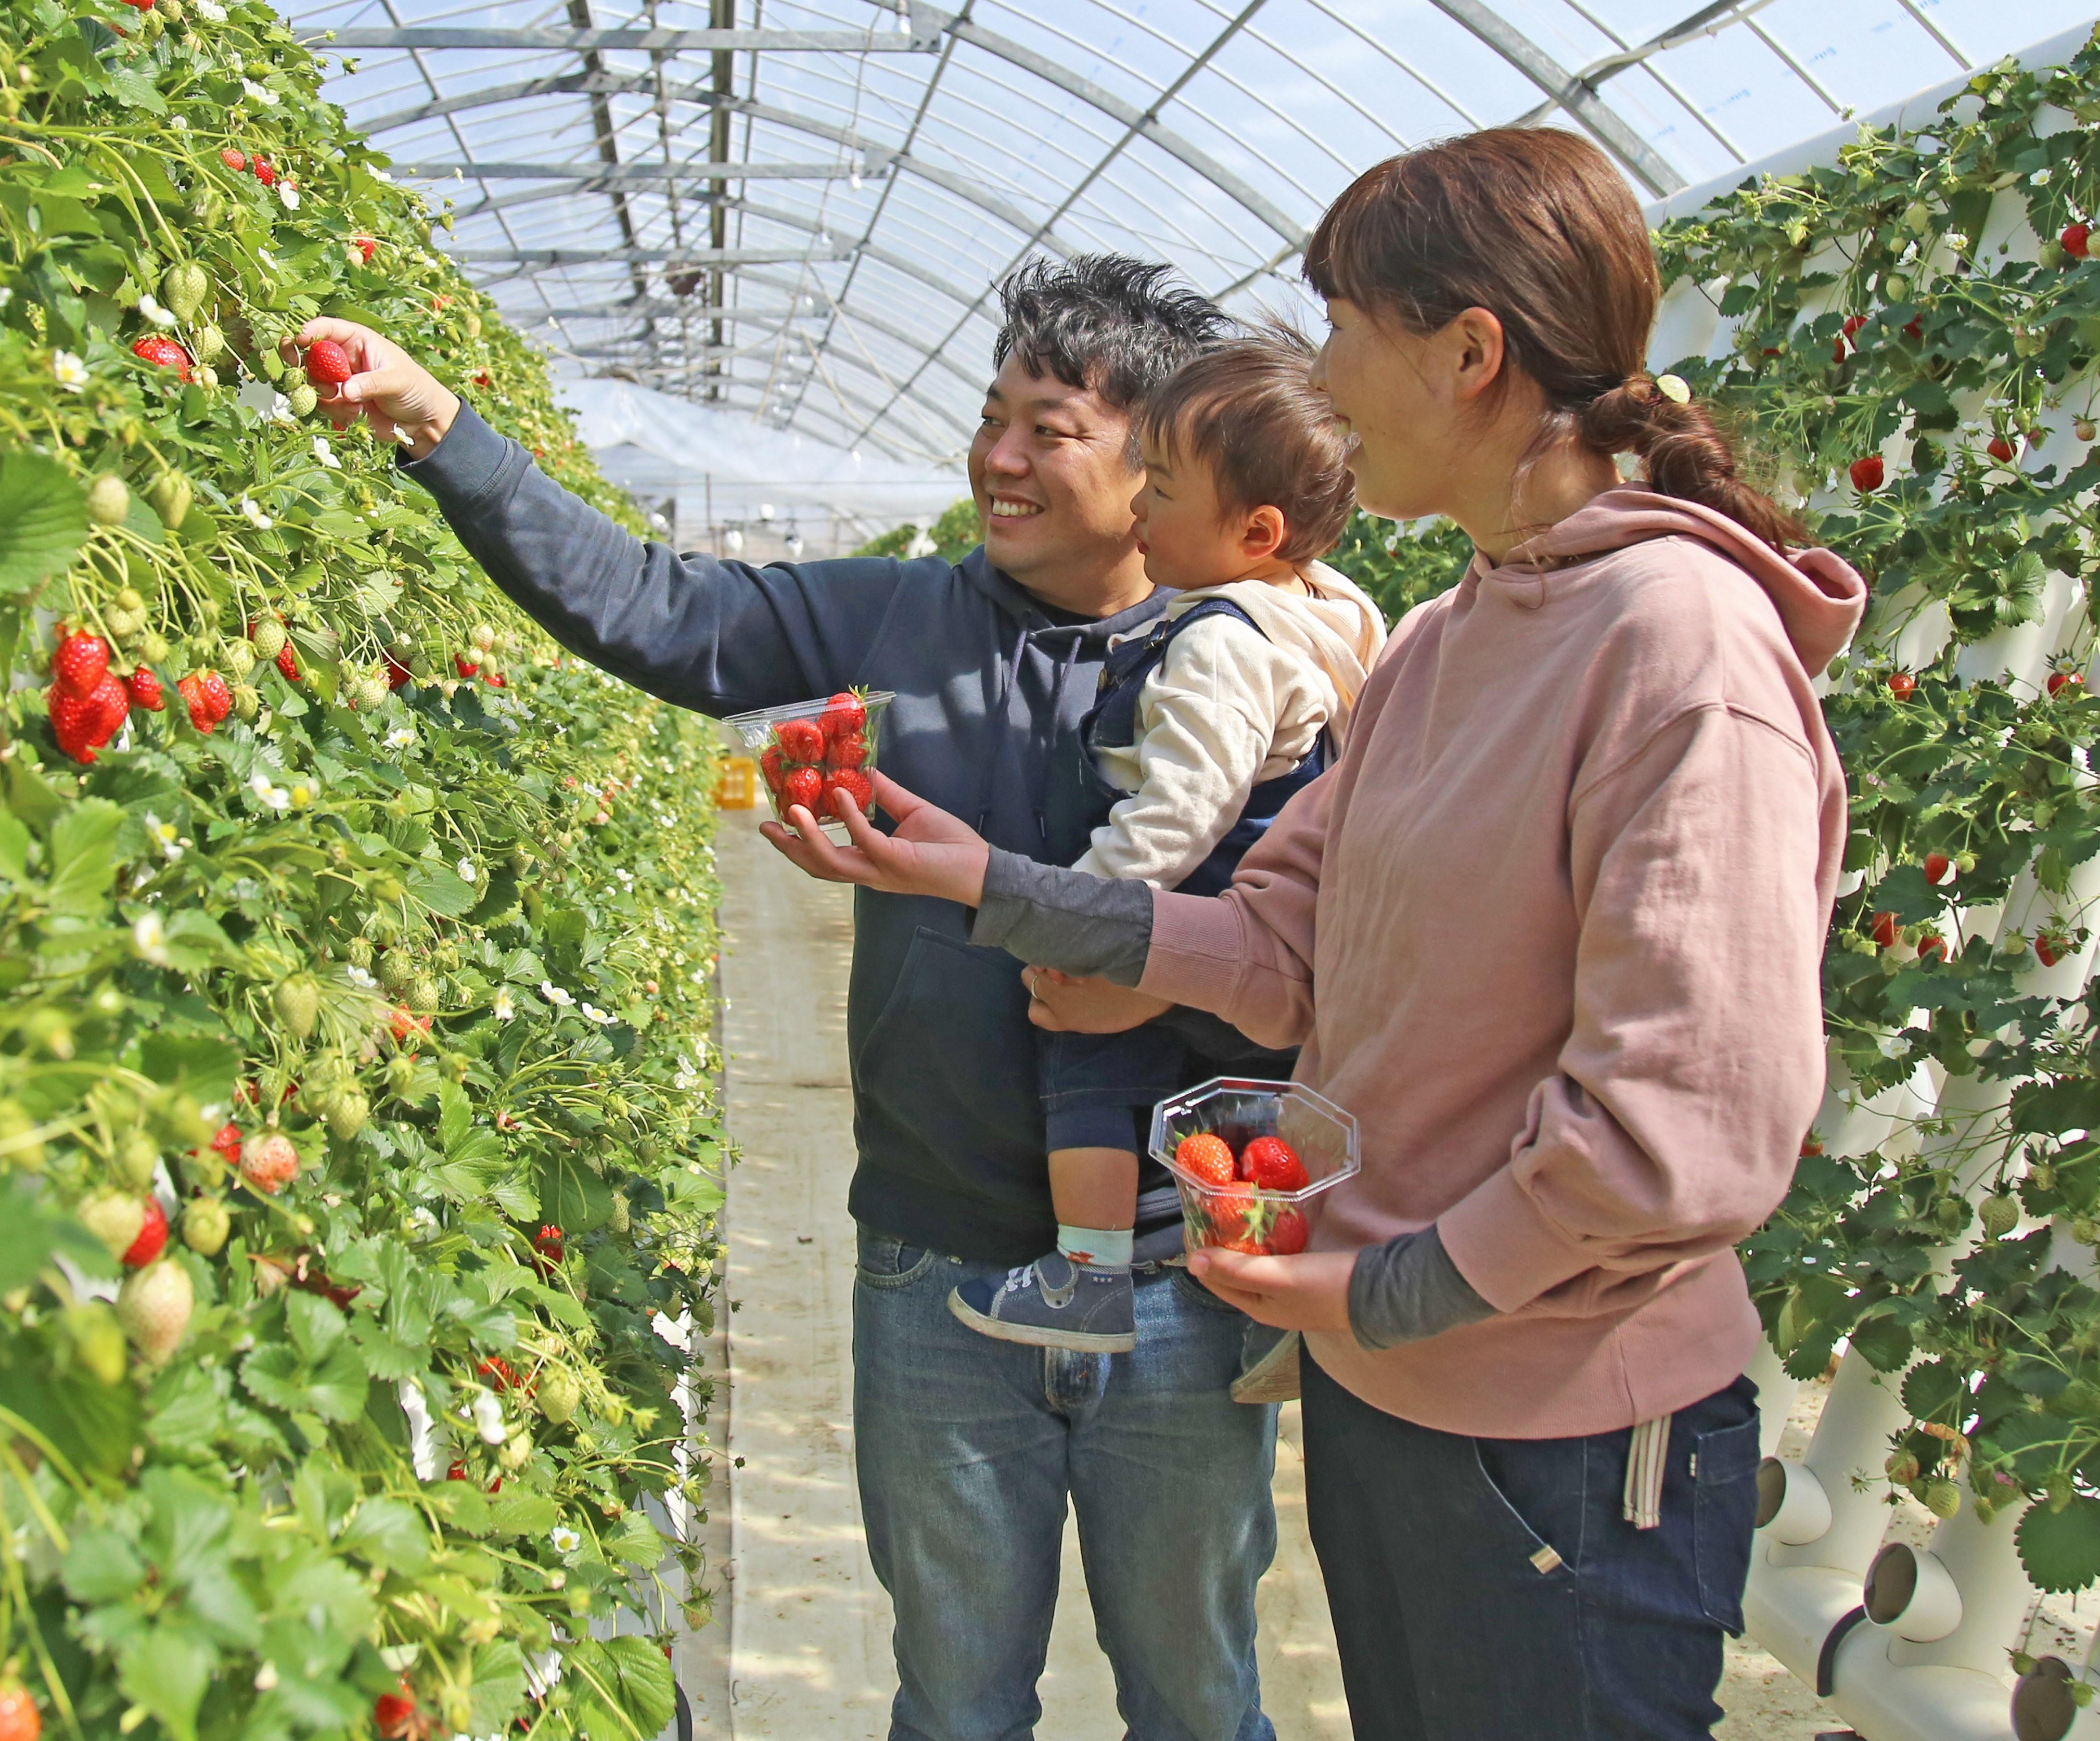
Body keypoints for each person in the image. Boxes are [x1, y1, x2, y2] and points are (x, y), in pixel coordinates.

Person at [757, 126, 1867, 1739]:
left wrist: (1396, 1288)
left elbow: (1686, 1130)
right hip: (1392, 1389)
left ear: (1469, 352)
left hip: (1559, 1431)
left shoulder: (1675, 652)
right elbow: (1274, 943)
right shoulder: (1441, 639)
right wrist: (979, 882)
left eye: (1346, 321)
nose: (1325, 373)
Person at [290, 258, 1291, 1741]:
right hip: (937, 1273)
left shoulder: (1253, 670)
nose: (999, 459)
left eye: (1048, 430)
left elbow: (1307, 952)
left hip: (1176, 1287)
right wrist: (446, 428)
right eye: (990, 418)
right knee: (952, 1704)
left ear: (1161, 460)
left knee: (1197, 1702)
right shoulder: (905, 616)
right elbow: (665, 610)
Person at [950, 327, 1386, 1358]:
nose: (1140, 506)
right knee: (1248, 1122)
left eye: (1167, 490)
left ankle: (1090, 1275)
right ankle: (1271, 1273)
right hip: (1275, 927)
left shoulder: (1219, 644)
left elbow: (1180, 812)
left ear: (1257, 530)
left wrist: (1083, 915)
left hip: (1195, 903)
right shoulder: (1325, 611)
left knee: (1086, 1052)